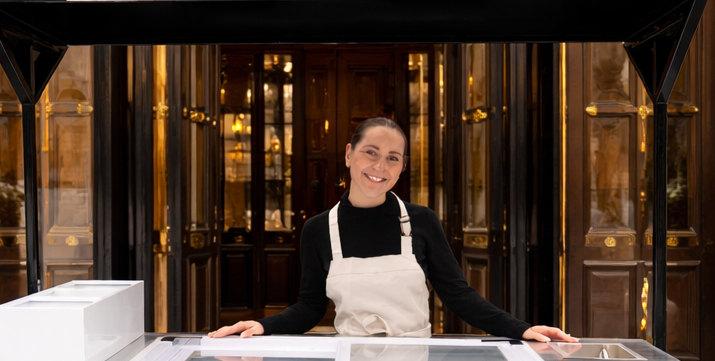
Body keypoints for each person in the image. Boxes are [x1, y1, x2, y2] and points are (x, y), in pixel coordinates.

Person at [209, 117, 577, 343]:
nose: (380, 166)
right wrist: (261, 326)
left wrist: (521, 329)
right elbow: (309, 308)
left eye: (392, 158)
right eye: (371, 152)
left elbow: (458, 295)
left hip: (415, 360)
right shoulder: (319, 229)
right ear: (349, 154)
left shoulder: (422, 221)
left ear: (402, 167)